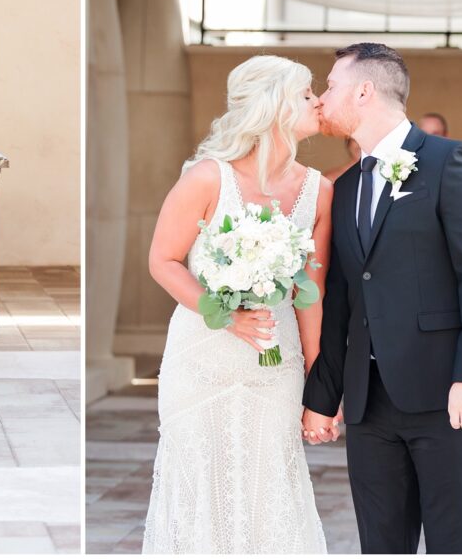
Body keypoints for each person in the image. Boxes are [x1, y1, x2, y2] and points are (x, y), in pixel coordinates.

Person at [302, 43, 462, 554]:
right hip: (369, 406)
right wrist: (322, 398)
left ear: (365, 90)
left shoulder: (452, 161)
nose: (323, 98)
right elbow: (343, 300)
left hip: (445, 396)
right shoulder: (345, 187)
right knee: (381, 545)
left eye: (330, 85)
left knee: (451, 544)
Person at [142, 55, 332, 553]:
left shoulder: (320, 191)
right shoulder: (208, 178)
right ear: (274, 107)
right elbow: (163, 261)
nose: (318, 101)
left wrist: (320, 382)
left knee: (270, 486)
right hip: (200, 358)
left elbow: (312, 293)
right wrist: (226, 315)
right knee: (199, 484)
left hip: (277, 361)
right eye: (307, 93)